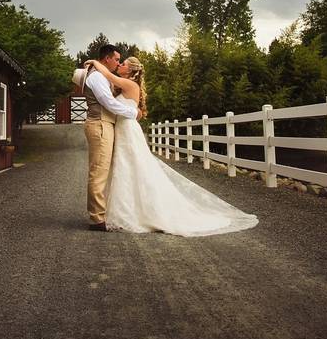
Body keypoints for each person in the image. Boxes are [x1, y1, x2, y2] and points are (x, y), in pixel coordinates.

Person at [84, 56, 258, 236]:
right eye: (120, 62)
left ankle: (147, 212)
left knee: (135, 168)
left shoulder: (130, 85)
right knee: (127, 169)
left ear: (131, 71)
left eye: (124, 63)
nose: (120, 65)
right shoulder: (125, 85)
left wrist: (95, 63)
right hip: (122, 129)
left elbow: (107, 75)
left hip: (127, 129)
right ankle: (127, 210)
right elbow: (134, 109)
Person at [75, 45, 140, 231]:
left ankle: (101, 214)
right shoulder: (96, 76)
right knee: (99, 171)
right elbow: (108, 103)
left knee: (104, 170)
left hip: (105, 125)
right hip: (100, 124)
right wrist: (132, 112)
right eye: (117, 59)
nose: (118, 62)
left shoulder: (101, 75)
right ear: (107, 59)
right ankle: (96, 219)